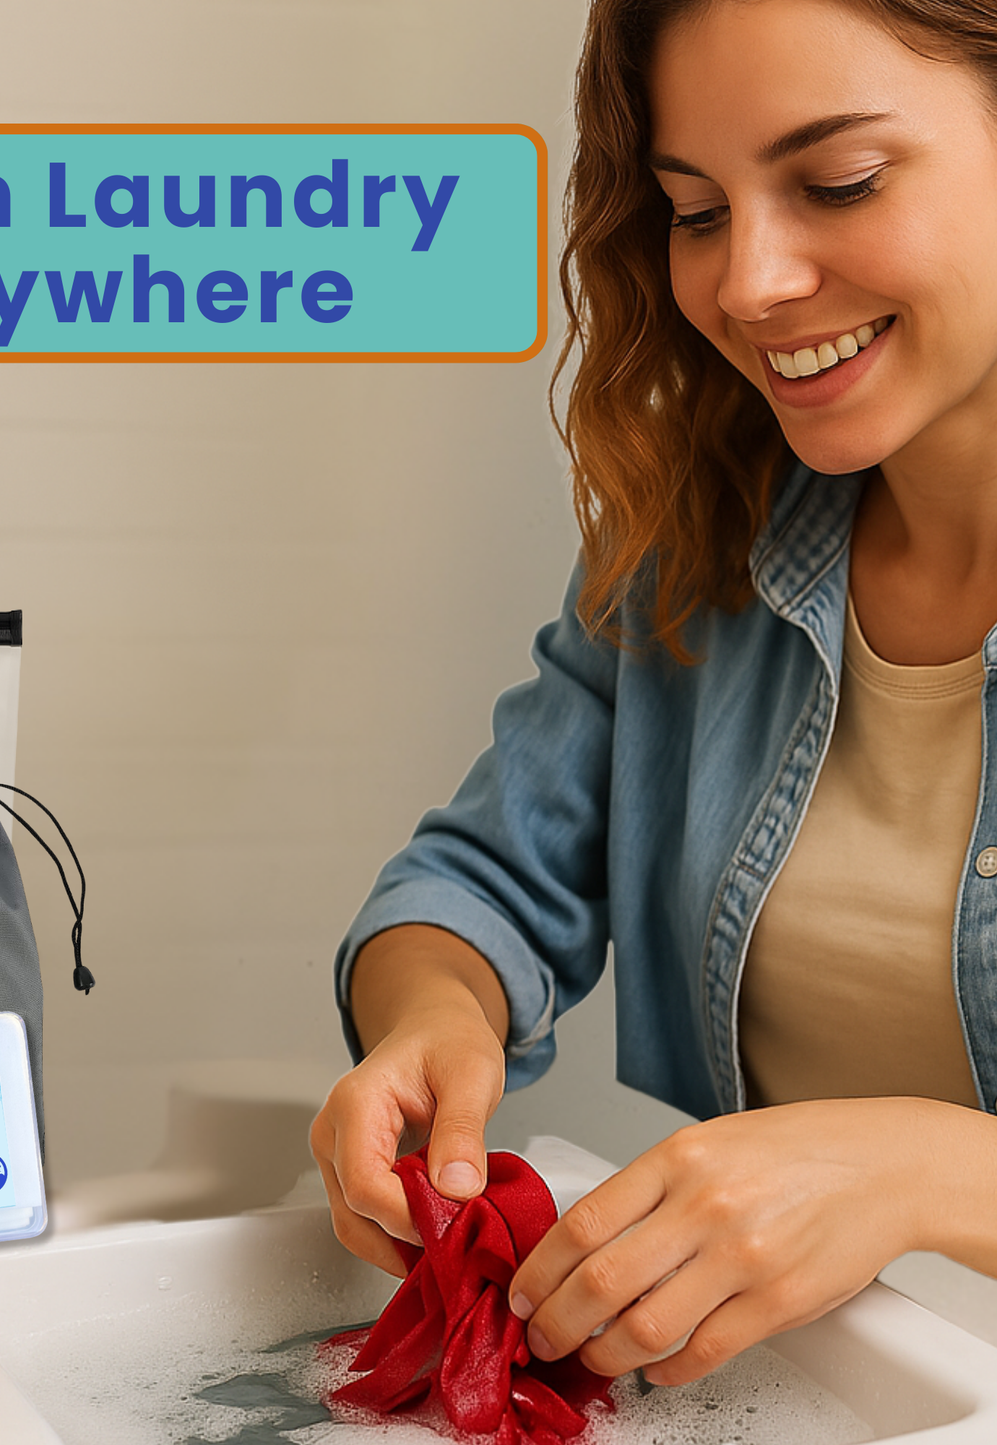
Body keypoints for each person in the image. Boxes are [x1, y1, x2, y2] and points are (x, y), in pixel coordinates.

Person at [312, 0, 997, 1391]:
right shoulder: (701, 532)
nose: (746, 282)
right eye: (693, 210)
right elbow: (478, 884)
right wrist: (433, 1017)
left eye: (838, 182)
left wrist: (927, 1174)